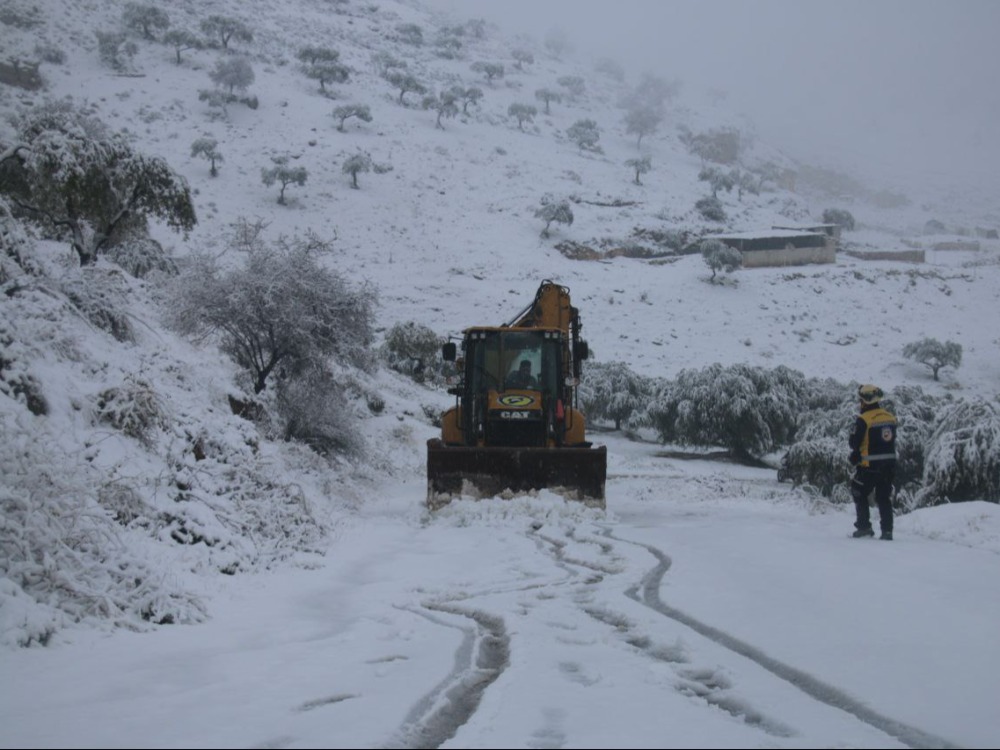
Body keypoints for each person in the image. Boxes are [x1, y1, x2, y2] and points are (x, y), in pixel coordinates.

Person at [848, 384, 898, 540]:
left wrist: (855, 455)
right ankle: (887, 531)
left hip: (869, 467)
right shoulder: (890, 417)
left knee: (858, 490)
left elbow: (854, 443)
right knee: (884, 497)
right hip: (889, 466)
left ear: (864, 401)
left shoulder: (864, 420)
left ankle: (864, 527)